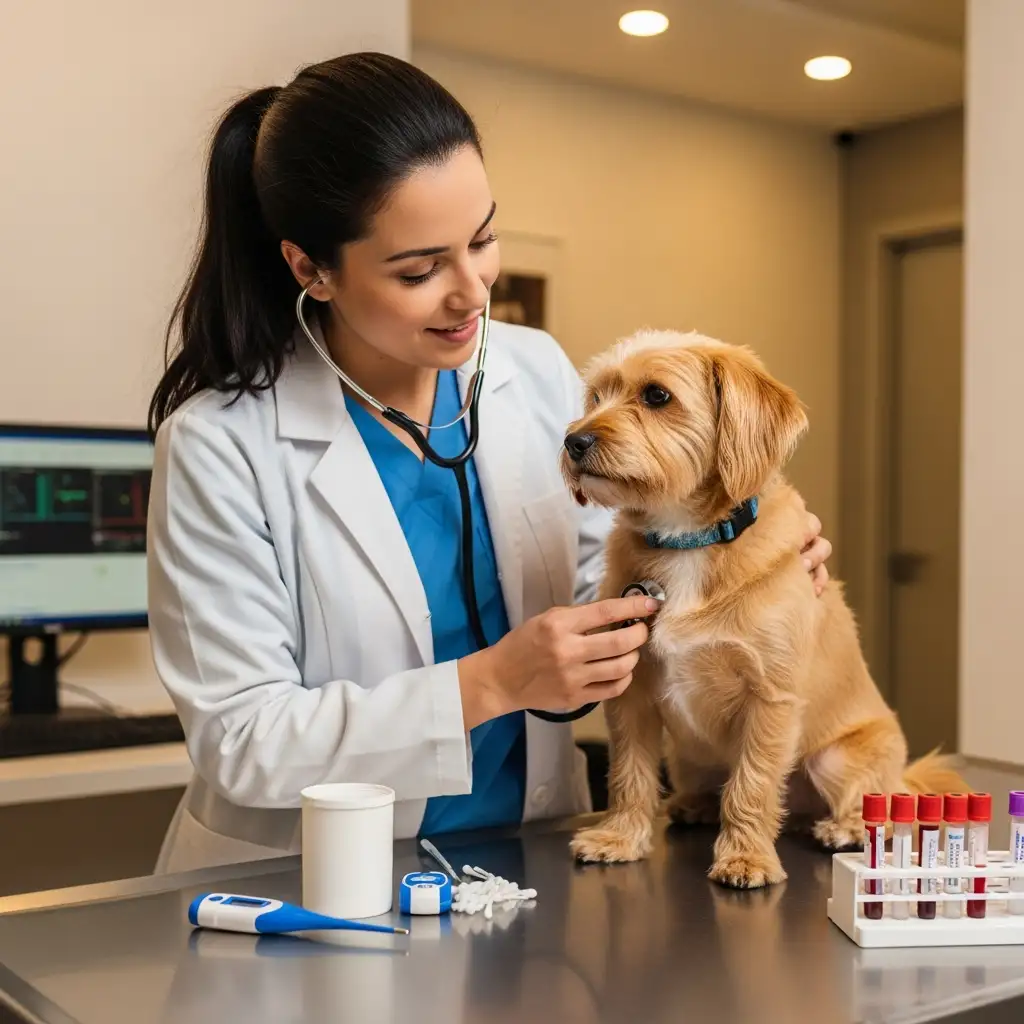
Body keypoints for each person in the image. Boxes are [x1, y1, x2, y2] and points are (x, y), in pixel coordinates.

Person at [145, 52, 833, 873]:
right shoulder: (221, 443)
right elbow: (242, 739)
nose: (472, 291)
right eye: (421, 268)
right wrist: (492, 683)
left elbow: (602, 591)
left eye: (482, 239)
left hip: (528, 851)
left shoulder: (533, 369)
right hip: (313, 877)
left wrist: (732, 559)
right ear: (311, 270)